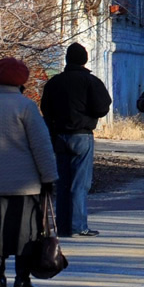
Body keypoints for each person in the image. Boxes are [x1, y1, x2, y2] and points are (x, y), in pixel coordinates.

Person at [0, 58, 58, 287]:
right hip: (25, 185)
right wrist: (49, 177)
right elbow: (41, 145)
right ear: (22, 80)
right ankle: (22, 280)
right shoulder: (25, 106)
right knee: (25, 234)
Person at [39, 42, 111, 237]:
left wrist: (54, 126)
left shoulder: (55, 83)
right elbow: (103, 106)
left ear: (67, 59)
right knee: (80, 184)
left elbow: (45, 108)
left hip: (59, 135)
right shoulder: (91, 82)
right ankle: (78, 226)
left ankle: (62, 226)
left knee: (62, 183)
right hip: (82, 134)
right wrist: (88, 117)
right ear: (85, 59)